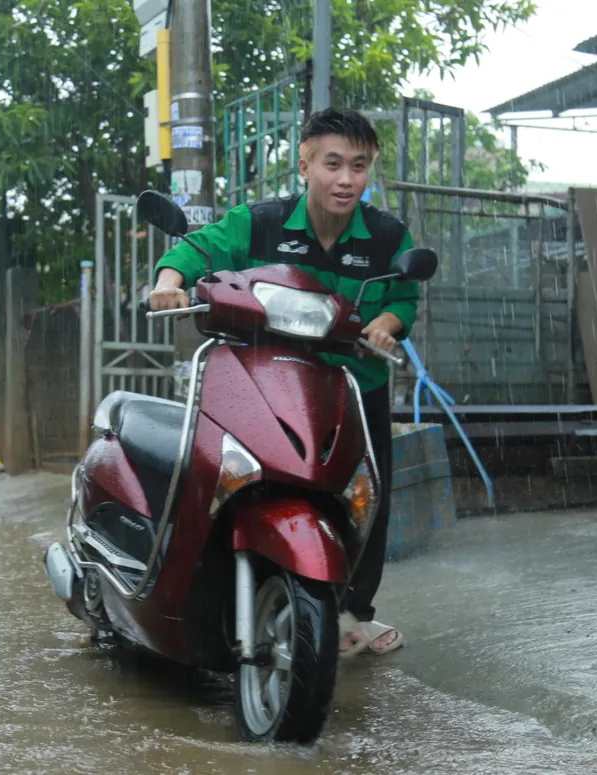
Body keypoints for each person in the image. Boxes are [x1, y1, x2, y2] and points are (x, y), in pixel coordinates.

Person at [150, 107, 419, 657]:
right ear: (304, 164)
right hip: (264, 381)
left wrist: (386, 326)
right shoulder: (261, 222)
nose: (346, 179)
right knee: (218, 472)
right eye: (333, 163)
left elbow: (403, 298)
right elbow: (198, 249)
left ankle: (352, 612)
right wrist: (168, 280)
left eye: (359, 166)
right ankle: (200, 579)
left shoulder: (387, 237)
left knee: (368, 494)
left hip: (352, 382)